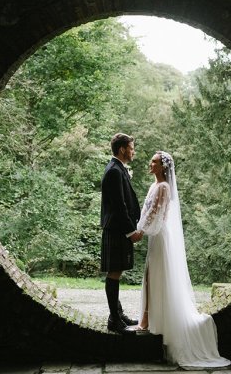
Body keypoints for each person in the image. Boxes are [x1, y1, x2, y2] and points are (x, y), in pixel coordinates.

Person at [136, 151, 231, 368]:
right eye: (151, 161)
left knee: (157, 275)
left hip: (160, 236)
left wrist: (141, 231)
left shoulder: (164, 187)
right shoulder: (153, 186)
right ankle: (148, 318)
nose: (150, 164)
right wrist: (139, 227)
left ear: (163, 167)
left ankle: (152, 320)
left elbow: (156, 214)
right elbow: (146, 211)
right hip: (154, 236)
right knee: (150, 274)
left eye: (155, 162)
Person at [100, 133, 143, 334]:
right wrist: (130, 231)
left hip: (118, 229)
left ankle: (117, 314)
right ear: (123, 149)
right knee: (114, 272)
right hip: (118, 230)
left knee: (117, 271)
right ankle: (114, 320)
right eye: (131, 148)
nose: (133, 151)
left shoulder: (118, 169)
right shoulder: (114, 171)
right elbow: (119, 206)